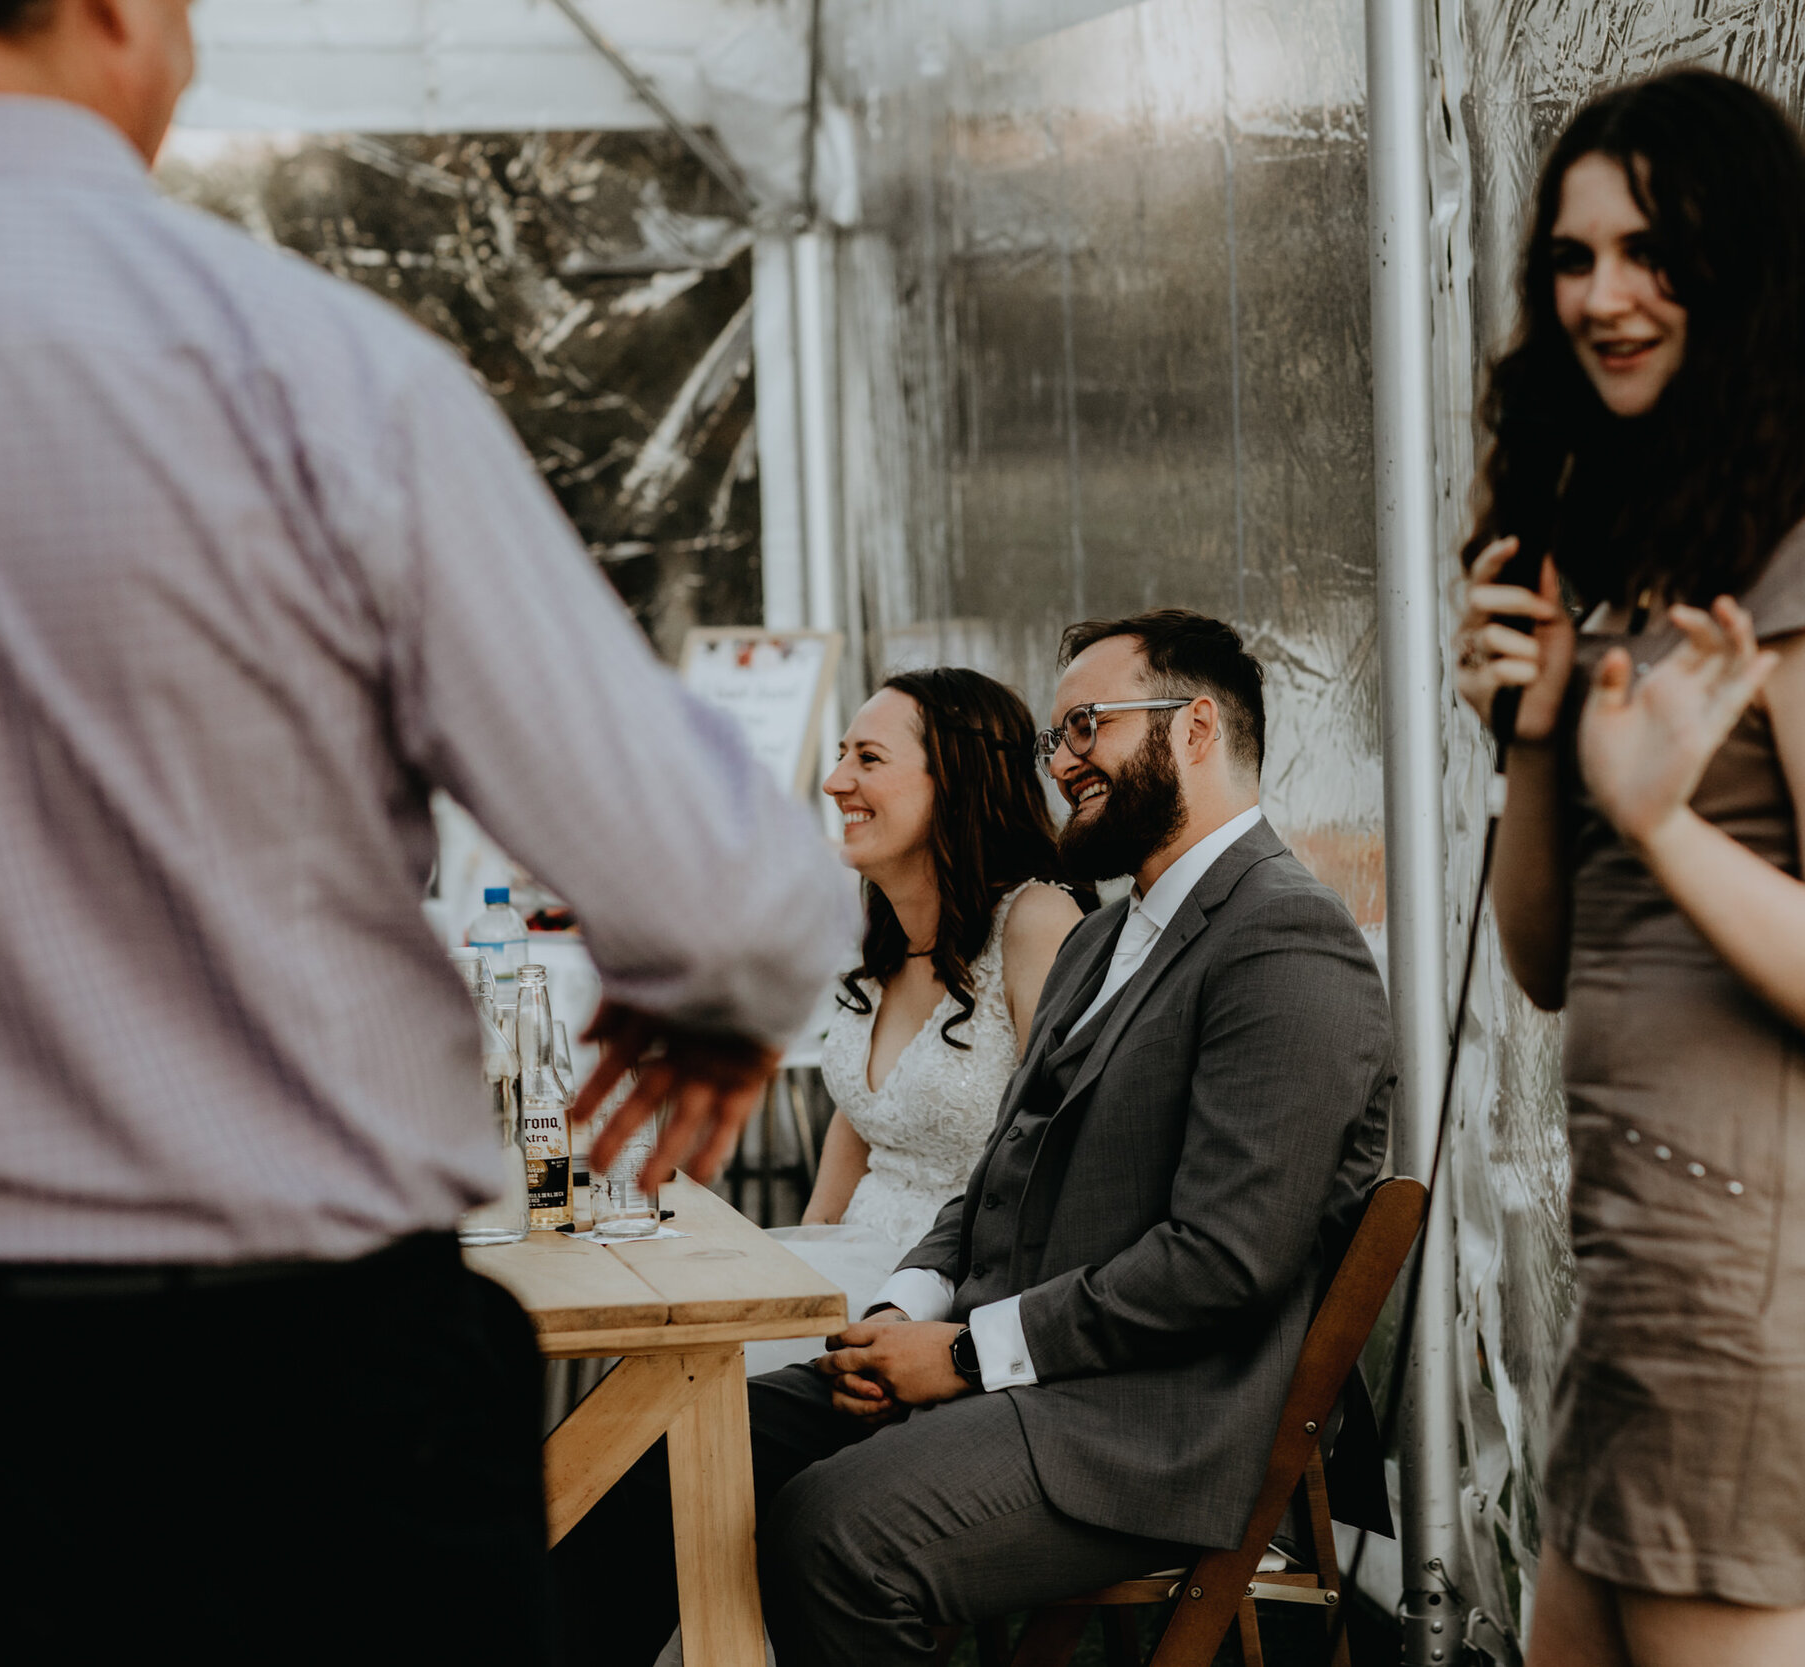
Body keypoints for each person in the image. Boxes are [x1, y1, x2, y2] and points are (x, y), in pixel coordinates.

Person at [0, 3, 854, 1660]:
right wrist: (710, 998)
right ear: (113, 14)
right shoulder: (308, 368)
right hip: (294, 1419)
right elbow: (721, 899)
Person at [557, 609, 1394, 1667]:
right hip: (1020, 1370)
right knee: (663, 1454)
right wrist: (898, 1309)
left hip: (1143, 1423)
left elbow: (1224, 1261)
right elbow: (1000, 1169)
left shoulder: (1283, 938)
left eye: (1086, 726)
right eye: (1055, 738)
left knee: (830, 1531)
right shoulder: (1101, 938)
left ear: (1194, 727)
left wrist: (961, 1353)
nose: (1063, 762)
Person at [1451, 69, 1805, 1667]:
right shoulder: (1670, 541)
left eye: (1651, 251)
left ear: (1747, 266)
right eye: (1573, 256)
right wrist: (1537, 737)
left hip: (1762, 1249)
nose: (1603, 296)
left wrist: (1664, 821)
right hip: (1651, 1233)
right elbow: (1546, 960)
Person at [749, 666, 1084, 1373]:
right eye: (842, 755)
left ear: (957, 782)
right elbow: (859, 1125)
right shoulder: (883, 936)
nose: (835, 781)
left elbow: (1064, 1158)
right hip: (850, 1271)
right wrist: (797, 1280)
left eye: (867, 758)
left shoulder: (1036, 923)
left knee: (702, 1383)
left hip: (948, 1302)